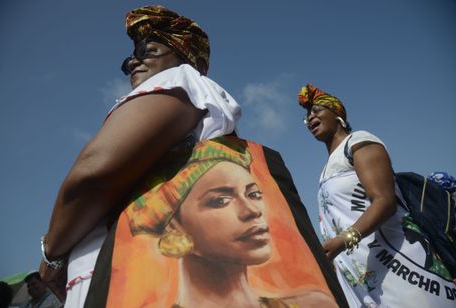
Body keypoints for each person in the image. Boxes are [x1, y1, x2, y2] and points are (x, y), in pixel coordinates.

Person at [38, 5, 240, 307]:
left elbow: (92, 173)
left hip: (127, 275)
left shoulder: (180, 79)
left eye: (149, 51)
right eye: (130, 58)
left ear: (183, 56)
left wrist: (51, 253)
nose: (133, 61)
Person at [124, 137, 338, 308]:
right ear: (173, 224)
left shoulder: (316, 303)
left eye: (253, 194)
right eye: (220, 200)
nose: (252, 211)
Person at [297, 84, 456, 307]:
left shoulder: (359, 141)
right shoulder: (325, 170)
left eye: (316, 110)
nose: (310, 118)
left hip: (400, 266)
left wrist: (346, 239)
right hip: (365, 274)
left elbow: (384, 200)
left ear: (337, 113)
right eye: (306, 116)